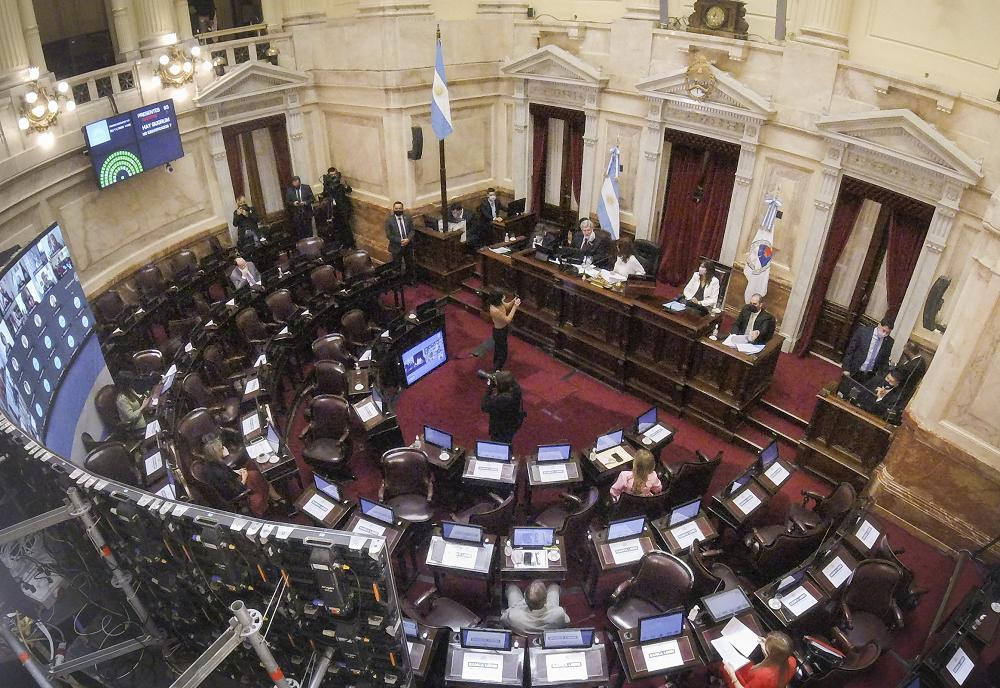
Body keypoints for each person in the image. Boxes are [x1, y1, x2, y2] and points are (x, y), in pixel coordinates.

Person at [197, 434, 272, 517]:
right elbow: (234, 491)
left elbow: (227, 473)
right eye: (222, 448)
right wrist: (244, 477)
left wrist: (237, 471)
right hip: (234, 492)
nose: (224, 448)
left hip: (231, 483)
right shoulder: (219, 472)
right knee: (255, 476)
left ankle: (271, 492)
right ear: (217, 453)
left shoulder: (212, 464)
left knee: (251, 466)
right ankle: (266, 499)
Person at [721, 631, 796, 688]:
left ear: (771, 655)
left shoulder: (763, 675)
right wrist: (767, 644)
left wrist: (731, 674)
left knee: (723, 666)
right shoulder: (792, 661)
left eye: (766, 648)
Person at [500, 580, 570, 636]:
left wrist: (518, 606)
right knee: (554, 587)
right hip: (550, 615)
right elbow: (567, 622)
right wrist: (553, 607)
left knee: (512, 588)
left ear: (525, 599)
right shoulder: (558, 613)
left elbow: (502, 620)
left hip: (520, 614)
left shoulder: (513, 615)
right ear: (546, 599)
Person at [841, 317, 894, 385]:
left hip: (869, 375)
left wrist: (880, 378)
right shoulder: (863, 332)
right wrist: (846, 368)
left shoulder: (889, 342)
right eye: (883, 330)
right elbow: (850, 351)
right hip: (853, 370)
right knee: (844, 391)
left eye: (887, 333)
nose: (884, 334)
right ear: (879, 325)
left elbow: (885, 360)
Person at [481, 370, 524, 444]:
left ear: (501, 386)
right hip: (513, 421)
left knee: (499, 443)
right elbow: (509, 380)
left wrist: (489, 387)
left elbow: (484, 406)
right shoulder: (516, 389)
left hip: (501, 428)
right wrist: (499, 376)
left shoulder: (503, 399)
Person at [487, 288, 520, 371]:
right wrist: (515, 306)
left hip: (503, 330)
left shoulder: (499, 303)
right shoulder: (495, 310)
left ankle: (496, 366)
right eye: (502, 296)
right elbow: (508, 320)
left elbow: (507, 306)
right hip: (499, 332)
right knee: (503, 354)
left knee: (498, 350)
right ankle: (495, 371)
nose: (504, 297)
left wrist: (513, 301)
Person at [384, 201, 416, 285]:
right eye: (396, 208)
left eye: (400, 208)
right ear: (393, 209)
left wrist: (408, 239)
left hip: (408, 245)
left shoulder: (408, 217)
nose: (398, 210)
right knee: (397, 265)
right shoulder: (389, 220)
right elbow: (388, 235)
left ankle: (410, 280)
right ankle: (398, 283)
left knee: (410, 264)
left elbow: (412, 230)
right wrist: (400, 241)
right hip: (396, 246)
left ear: (402, 209)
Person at [322, 168, 354, 248]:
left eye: (334, 174)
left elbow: (349, 190)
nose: (333, 176)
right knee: (338, 227)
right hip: (334, 209)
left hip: (343, 208)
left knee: (346, 226)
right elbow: (325, 194)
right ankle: (342, 244)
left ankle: (350, 244)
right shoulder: (328, 184)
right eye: (331, 175)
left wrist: (345, 185)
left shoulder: (340, 182)